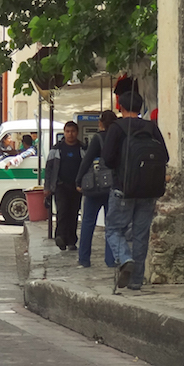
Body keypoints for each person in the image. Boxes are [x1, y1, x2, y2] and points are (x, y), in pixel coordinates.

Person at [102, 91, 168, 290]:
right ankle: (136, 280)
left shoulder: (116, 128)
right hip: (149, 190)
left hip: (123, 188)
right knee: (141, 234)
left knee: (113, 229)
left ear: (120, 107)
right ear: (140, 107)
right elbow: (164, 156)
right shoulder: (151, 127)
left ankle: (124, 258)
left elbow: (108, 159)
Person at [74, 110, 117, 269]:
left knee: (87, 222)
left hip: (94, 187)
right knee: (111, 224)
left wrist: (78, 180)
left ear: (100, 124)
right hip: (113, 186)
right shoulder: (119, 139)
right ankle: (110, 260)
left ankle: (84, 259)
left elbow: (86, 161)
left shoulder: (98, 138)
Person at [44, 121, 85, 251]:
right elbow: (49, 168)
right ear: (64, 132)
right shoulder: (56, 149)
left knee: (73, 213)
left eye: (72, 131)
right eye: (67, 131)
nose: (70, 134)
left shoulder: (83, 149)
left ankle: (72, 240)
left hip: (77, 187)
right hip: (60, 186)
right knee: (62, 212)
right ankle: (60, 237)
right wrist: (47, 186)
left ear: (77, 132)